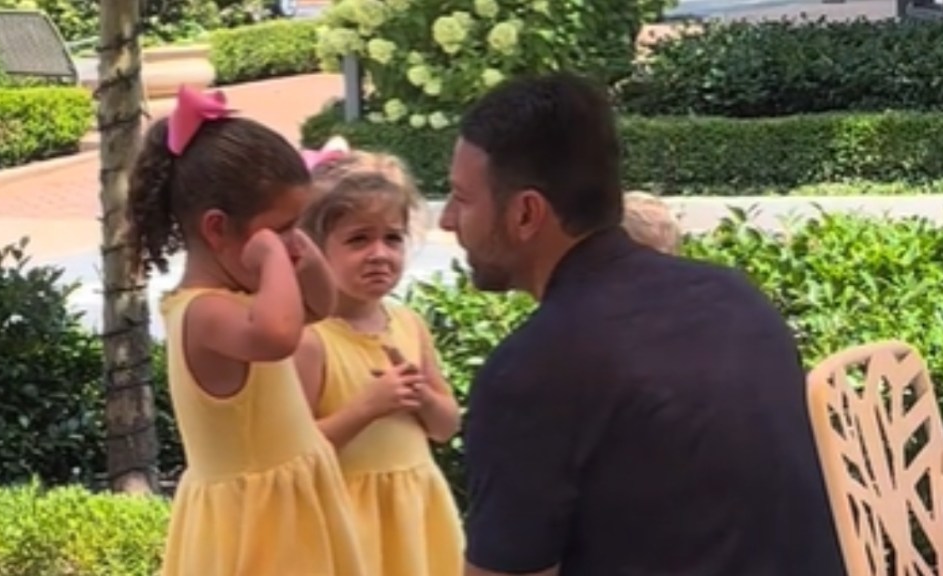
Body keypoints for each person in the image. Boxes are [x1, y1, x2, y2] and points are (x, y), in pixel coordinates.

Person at [440, 72, 845, 576]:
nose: (447, 221)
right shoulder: (735, 297)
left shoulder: (533, 369)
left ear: (526, 214)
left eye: (461, 198)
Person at [126, 86, 366, 576]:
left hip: (293, 505)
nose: (291, 243)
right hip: (254, 525)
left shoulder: (249, 299)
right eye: (280, 228)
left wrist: (292, 241)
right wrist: (274, 257)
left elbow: (323, 305)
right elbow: (279, 337)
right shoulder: (202, 313)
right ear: (217, 229)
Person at [293, 142, 464, 576]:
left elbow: (446, 428)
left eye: (392, 238)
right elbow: (295, 454)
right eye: (358, 240)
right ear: (314, 248)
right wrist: (367, 407)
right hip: (349, 523)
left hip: (416, 514)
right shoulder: (310, 340)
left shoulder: (409, 326)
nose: (380, 254)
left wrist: (424, 397)